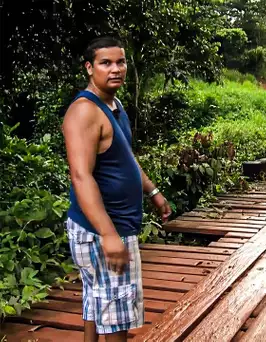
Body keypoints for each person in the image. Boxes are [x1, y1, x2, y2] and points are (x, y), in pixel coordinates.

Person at [62, 36, 171, 342]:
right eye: (105, 63)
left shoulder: (114, 105)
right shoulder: (85, 111)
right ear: (89, 68)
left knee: (97, 301)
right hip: (102, 228)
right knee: (115, 313)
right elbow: (81, 177)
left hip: (114, 225)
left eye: (120, 61)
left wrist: (152, 192)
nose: (115, 69)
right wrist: (109, 236)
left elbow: (125, 157)